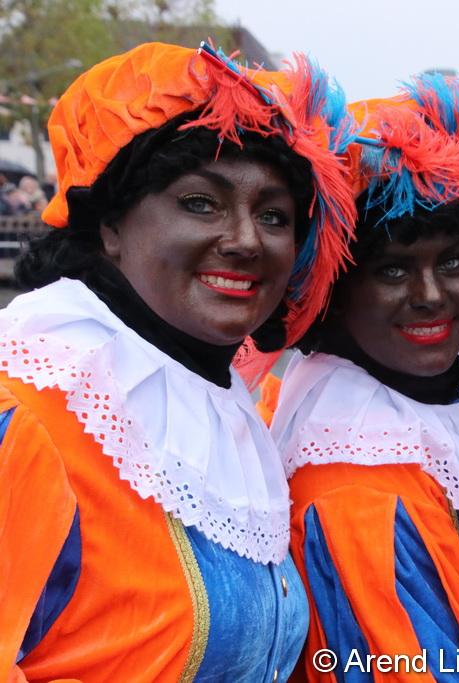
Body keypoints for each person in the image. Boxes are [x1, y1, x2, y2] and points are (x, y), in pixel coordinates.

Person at [0, 42, 357, 681]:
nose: (246, 240)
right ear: (111, 224)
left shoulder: (236, 416)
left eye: (273, 215)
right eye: (200, 203)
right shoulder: (27, 416)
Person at [269, 74, 459, 680]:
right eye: (392, 270)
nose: (431, 295)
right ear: (335, 287)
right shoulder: (356, 463)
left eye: (453, 262)